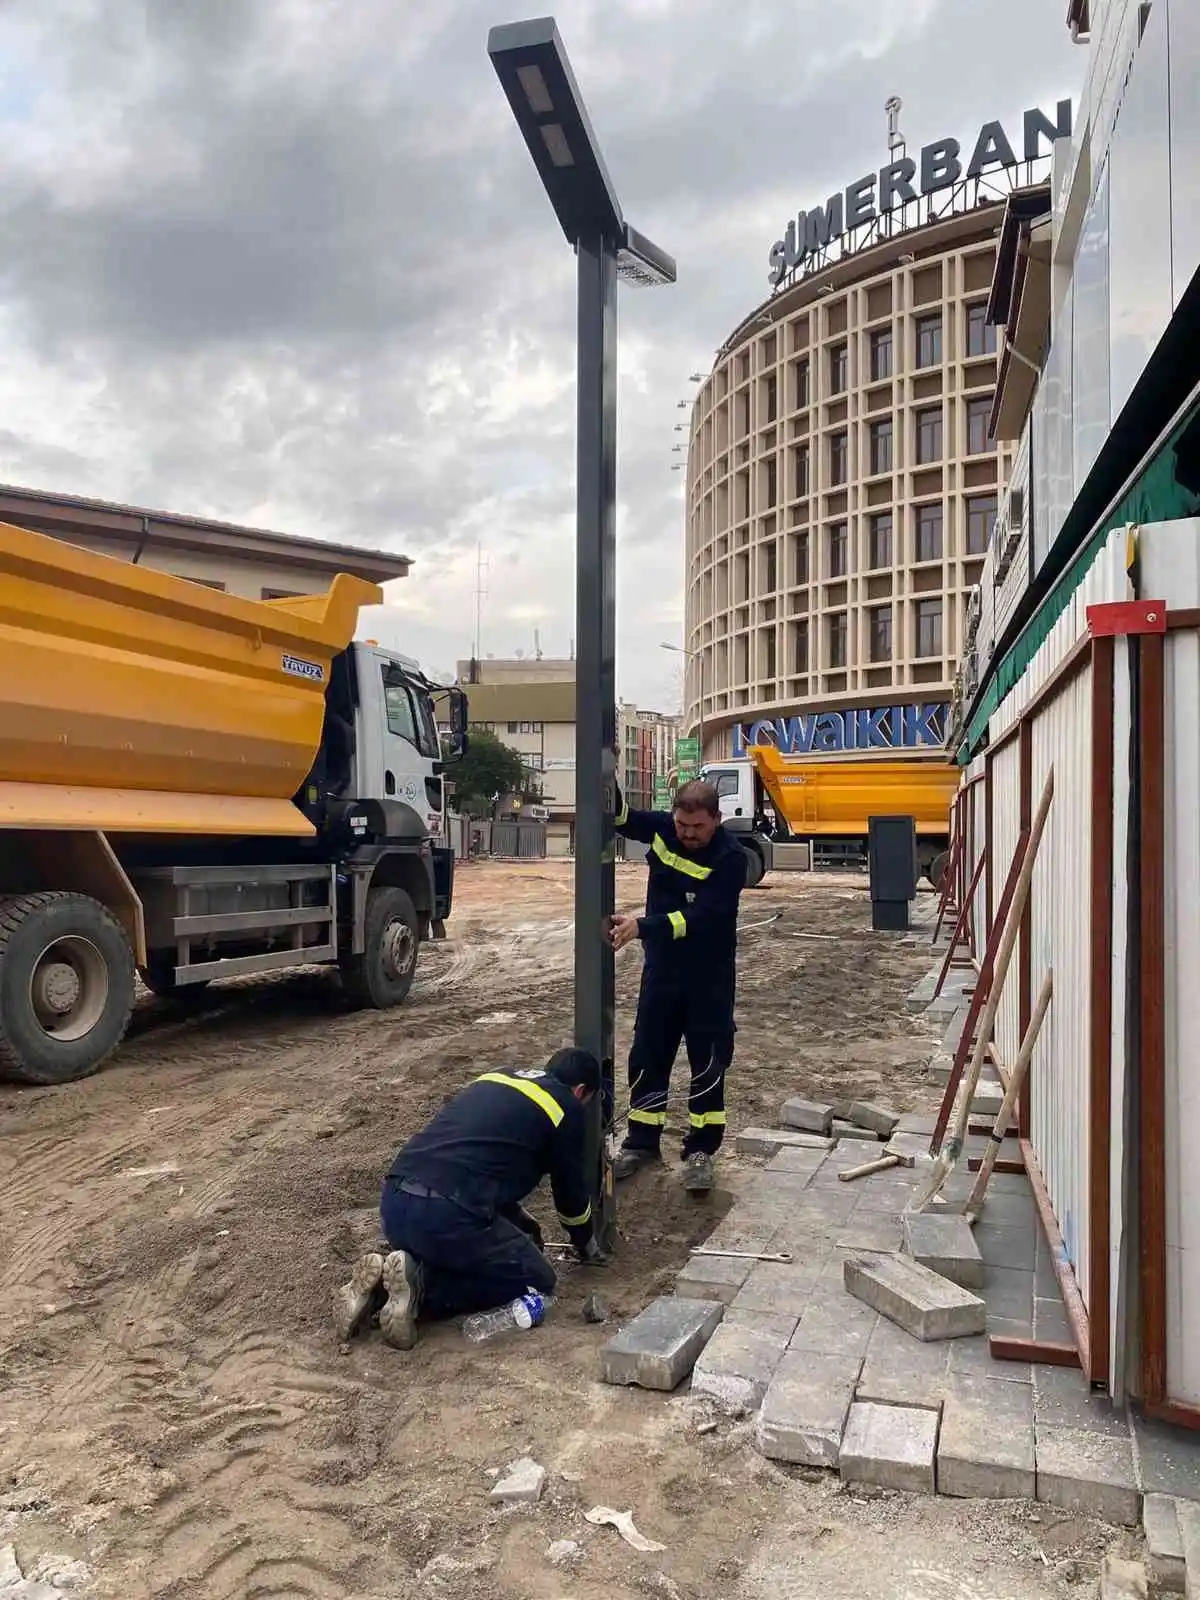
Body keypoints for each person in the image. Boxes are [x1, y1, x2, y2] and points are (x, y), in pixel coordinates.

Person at [334, 1048, 606, 1349]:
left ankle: (381, 1289)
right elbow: (570, 1195)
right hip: (446, 1214)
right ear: (581, 1091)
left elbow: (478, 1157)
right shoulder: (564, 1107)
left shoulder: (499, 1077)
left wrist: (516, 1219)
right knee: (537, 1281)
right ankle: (424, 1291)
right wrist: (585, 1242)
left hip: (396, 1203)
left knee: (457, 1245)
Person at [610, 778, 747, 1194]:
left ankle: (701, 1151)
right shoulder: (664, 830)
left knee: (707, 1065)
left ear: (716, 821)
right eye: (683, 825)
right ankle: (642, 1142)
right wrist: (607, 763)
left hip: (709, 980)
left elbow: (700, 919)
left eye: (698, 828)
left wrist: (641, 926)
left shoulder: (731, 858)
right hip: (662, 975)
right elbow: (620, 817)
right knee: (649, 1056)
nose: (688, 835)